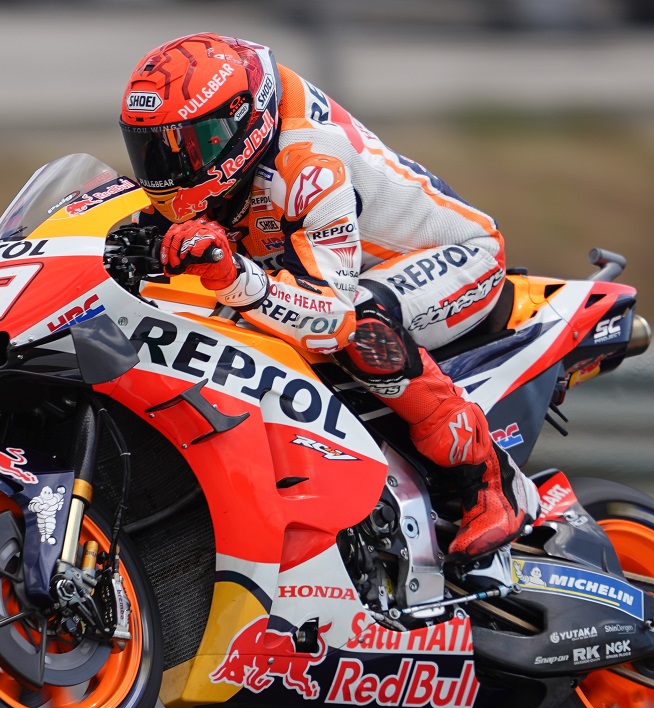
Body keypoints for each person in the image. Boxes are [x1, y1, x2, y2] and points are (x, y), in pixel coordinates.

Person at [118, 32, 539, 563]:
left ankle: (486, 483)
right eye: (154, 150)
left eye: (186, 147)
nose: (167, 170)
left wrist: (233, 278)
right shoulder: (227, 152)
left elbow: (331, 315)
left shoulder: (309, 160)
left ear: (237, 124)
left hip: (454, 255)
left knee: (363, 328)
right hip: (338, 263)